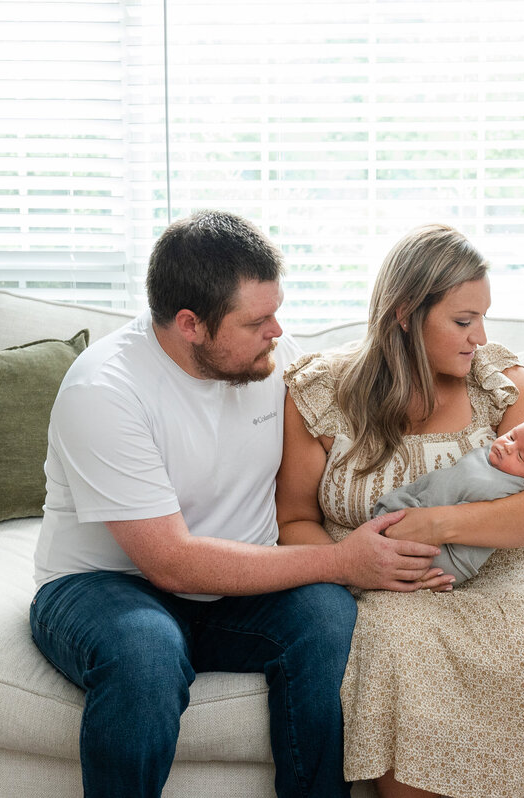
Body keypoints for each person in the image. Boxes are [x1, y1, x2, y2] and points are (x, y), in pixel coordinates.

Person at [29, 210, 449, 798]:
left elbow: (371, 406)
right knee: (146, 652)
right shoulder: (104, 391)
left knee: (327, 615)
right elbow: (170, 563)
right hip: (108, 585)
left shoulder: (270, 361)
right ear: (190, 325)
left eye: (277, 311)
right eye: (257, 321)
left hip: (240, 591)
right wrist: (342, 560)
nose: (277, 331)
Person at [276, 223, 524, 798]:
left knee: (517, 642)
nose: (480, 337)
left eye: (483, 317)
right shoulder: (322, 391)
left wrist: (437, 524)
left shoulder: (499, 381)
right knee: (398, 633)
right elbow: (293, 522)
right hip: (372, 574)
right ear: (405, 314)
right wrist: (355, 563)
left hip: (506, 567)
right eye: (463, 321)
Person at [373, 416, 524, 585]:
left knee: (401, 550)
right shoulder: (494, 460)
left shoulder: (502, 487)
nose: (508, 447)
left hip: (449, 559)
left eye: (520, 456)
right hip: (425, 525)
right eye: (511, 436)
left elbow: (446, 491)